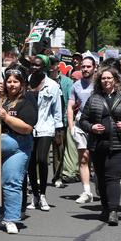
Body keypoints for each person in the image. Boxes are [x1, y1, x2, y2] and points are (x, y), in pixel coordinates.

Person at [79, 67, 121, 226]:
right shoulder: (93, 99)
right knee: (101, 178)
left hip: (119, 144)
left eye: (109, 78)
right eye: (103, 78)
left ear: (115, 80)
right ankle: (106, 208)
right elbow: (83, 120)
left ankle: (113, 211)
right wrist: (91, 127)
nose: (106, 81)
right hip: (98, 145)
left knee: (113, 178)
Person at [0, 65, 37, 234]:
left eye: (15, 81)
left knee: (11, 181)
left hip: (18, 147)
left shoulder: (28, 99)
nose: (12, 84)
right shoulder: (0, 97)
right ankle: (1, 213)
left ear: (21, 83)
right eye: (9, 81)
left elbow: (27, 127)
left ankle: (11, 218)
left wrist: (6, 117)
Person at [26, 55, 62, 212]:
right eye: (33, 65)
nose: (34, 67)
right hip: (28, 127)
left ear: (44, 68)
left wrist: (58, 130)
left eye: (38, 66)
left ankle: (42, 194)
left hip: (46, 127)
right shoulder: (26, 81)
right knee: (31, 162)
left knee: (42, 159)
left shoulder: (53, 86)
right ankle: (34, 195)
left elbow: (57, 109)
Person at [68, 56, 96, 204]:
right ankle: (86, 191)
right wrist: (71, 126)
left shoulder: (100, 84)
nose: (85, 69)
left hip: (97, 126)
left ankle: (100, 182)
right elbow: (70, 106)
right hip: (80, 125)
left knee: (97, 159)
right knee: (84, 158)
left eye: (88, 66)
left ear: (94, 67)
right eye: (83, 67)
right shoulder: (75, 86)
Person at [48, 56, 74, 186]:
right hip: (44, 121)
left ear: (59, 65)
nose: (52, 66)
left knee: (59, 149)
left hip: (60, 121)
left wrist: (69, 121)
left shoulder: (67, 82)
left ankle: (57, 177)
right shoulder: (42, 80)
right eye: (49, 63)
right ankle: (37, 177)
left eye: (54, 63)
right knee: (41, 152)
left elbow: (71, 102)